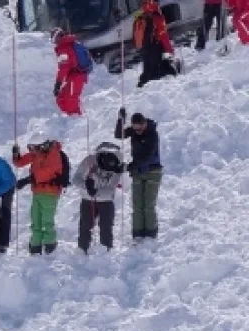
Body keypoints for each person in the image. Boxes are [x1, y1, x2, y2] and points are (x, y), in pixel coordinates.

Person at [13, 139, 69, 254]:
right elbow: (20, 163)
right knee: (35, 220)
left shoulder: (54, 153)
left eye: (37, 146)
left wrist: (28, 180)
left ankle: (50, 244)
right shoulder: (38, 153)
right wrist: (16, 155)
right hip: (37, 192)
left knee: (47, 221)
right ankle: (35, 245)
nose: (35, 149)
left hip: (50, 192)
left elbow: (48, 171)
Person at [115, 109, 164, 240]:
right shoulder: (134, 131)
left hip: (152, 171)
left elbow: (148, 156)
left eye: (140, 129)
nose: (137, 132)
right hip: (137, 172)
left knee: (148, 205)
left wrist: (130, 166)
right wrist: (120, 120)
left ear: (144, 124)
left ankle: (150, 234)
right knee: (137, 205)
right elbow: (119, 135)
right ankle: (137, 233)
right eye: (135, 129)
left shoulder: (152, 134)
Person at [73, 142, 125, 253]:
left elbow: (111, 191)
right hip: (87, 200)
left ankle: (106, 251)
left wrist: (96, 191)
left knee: (106, 227)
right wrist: (86, 186)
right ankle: (82, 250)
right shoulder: (89, 161)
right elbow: (76, 179)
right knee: (85, 225)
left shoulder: (117, 167)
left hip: (106, 202)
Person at [133, 0, 178, 87]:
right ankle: (152, 90)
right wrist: (169, 49)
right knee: (154, 72)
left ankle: (140, 89)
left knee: (146, 71)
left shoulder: (141, 14)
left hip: (144, 48)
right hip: (155, 47)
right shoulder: (157, 16)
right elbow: (163, 35)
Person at [51, 28, 90, 116]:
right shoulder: (70, 43)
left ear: (57, 37)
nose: (54, 42)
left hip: (76, 76)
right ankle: (70, 117)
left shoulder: (63, 48)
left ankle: (77, 119)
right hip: (74, 77)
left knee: (71, 100)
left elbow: (63, 68)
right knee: (62, 98)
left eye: (54, 39)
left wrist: (58, 84)